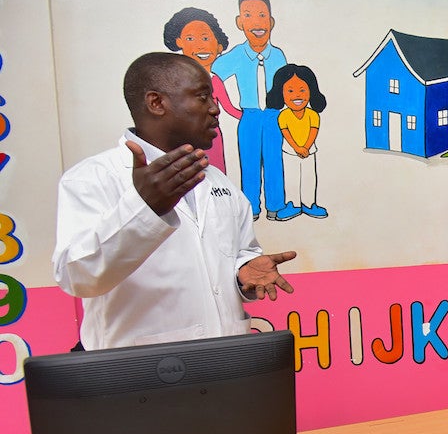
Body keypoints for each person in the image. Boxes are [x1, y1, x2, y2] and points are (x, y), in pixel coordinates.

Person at [52, 52, 296, 352]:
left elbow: (236, 254)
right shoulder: (93, 178)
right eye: (202, 97)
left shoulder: (219, 182)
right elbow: (77, 277)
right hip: (137, 375)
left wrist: (243, 273)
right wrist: (147, 208)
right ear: (157, 103)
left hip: (223, 365)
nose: (214, 109)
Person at [212, 0, 295, 221]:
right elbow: (215, 78)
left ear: (271, 22)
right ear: (240, 22)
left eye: (262, 15)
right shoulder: (237, 55)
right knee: (249, 163)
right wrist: (230, 109)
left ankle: (276, 207)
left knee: (273, 161)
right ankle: (251, 209)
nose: (257, 22)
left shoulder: (277, 55)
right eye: (249, 15)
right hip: (249, 116)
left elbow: (286, 85)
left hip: (273, 116)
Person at [162, 7, 241, 174]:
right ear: (179, 42)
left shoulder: (215, 80)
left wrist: (250, 116)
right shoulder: (177, 82)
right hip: (183, 137)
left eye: (206, 38)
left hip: (212, 137)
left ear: (219, 46)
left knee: (216, 177)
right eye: (190, 38)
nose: (200, 45)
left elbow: (229, 108)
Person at [266, 63, 329, 218]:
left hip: (309, 151)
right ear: (281, 93)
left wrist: (305, 147)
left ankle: (309, 204)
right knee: (291, 177)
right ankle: (292, 204)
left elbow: (313, 131)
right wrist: (297, 148)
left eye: (302, 90)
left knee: (309, 177)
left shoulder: (313, 115)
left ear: (311, 92)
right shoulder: (284, 116)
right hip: (290, 152)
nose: (297, 95)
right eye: (290, 91)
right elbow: (286, 133)